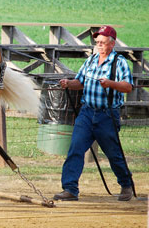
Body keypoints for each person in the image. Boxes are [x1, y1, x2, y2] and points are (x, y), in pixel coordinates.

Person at [54, 25, 134, 201]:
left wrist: (110, 83)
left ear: (112, 44)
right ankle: (70, 189)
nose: (99, 45)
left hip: (107, 116)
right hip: (87, 113)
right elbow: (80, 82)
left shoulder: (119, 62)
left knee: (113, 153)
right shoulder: (90, 60)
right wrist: (68, 83)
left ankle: (126, 184)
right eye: (97, 42)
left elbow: (128, 87)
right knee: (75, 148)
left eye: (102, 42)